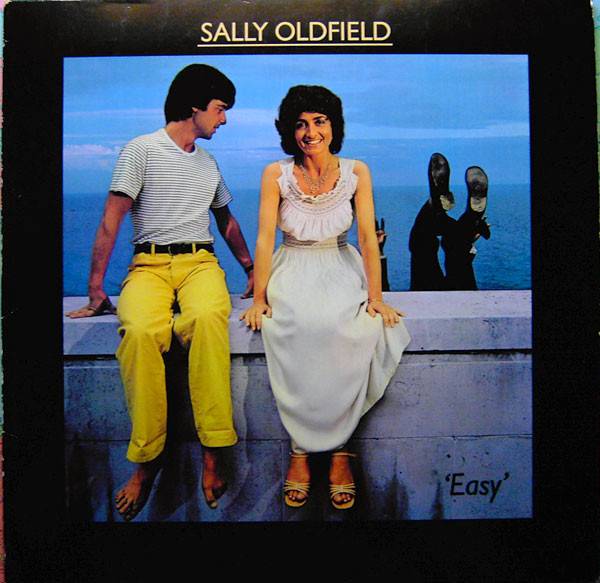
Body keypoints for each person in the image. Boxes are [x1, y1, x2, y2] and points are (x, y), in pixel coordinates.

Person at [66, 64, 254, 520]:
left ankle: (214, 451)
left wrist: (251, 268)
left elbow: (226, 221)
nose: (224, 119)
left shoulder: (208, 164)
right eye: (220, 109)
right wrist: (95, 290)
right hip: (148, 265)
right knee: (139, 330)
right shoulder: (141, 150)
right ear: (195, 106)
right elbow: (111, 219)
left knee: (207, 320)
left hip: (200, 263)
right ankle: (147, 459)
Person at [240, 85, 411, 510]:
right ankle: (300, 449)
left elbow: (367, 239)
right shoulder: (275, 174)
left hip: (340, 263)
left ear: (334, 126)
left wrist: (376, 297)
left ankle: (340, 450)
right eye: (300, 124)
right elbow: (263, 239)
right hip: (292, 266)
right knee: (299, 325)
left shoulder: (357, 172)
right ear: (289, 130)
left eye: (319, 121)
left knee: (348, 326)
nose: (310, 132)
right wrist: (259, 299)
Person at [408, 152, 491, 291]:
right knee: (456, 247)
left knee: (422, 245)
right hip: (464, 294)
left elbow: (381, 289)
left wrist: (379, 252)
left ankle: (437, 204)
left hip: (427, 297)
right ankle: (472, 217)